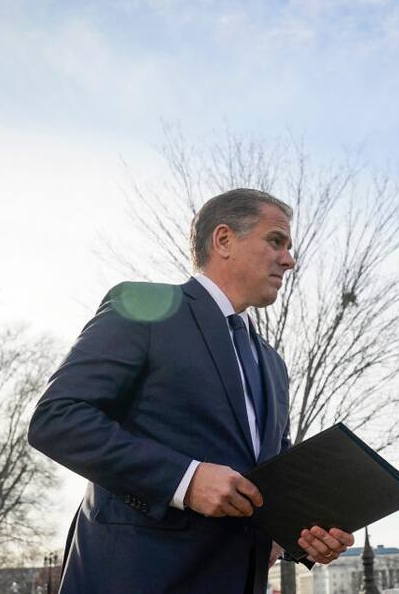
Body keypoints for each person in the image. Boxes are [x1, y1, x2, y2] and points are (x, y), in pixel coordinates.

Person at [29, 189, 354, 592]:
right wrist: (185, 480)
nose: (289, 259)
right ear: (223, 240)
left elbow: (269, 477)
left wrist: (301, 532)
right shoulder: (143, 306)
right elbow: (58, 419)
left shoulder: (272, 364)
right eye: (276, 241)